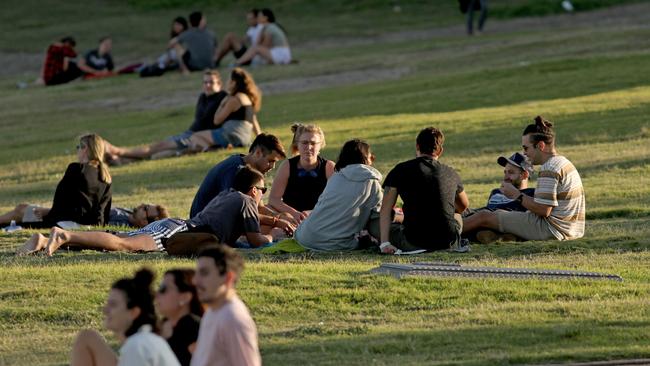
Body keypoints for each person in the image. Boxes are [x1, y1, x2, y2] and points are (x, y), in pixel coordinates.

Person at [17, 166, 281, 256]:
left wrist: (274, 219)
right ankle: (64, 236)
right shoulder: (246, 201)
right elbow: (256, 240)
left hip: (175, 225)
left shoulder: (228, 196)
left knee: (119, 241)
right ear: (252, 189)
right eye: (263, 188)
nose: (263, 193)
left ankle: (43, 242)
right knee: (125, 245)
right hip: (180, 231)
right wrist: (274, 239)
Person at [462, 116, 586, 242]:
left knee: (484, 217)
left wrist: (517, 195)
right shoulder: (564, 162)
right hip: (571, 230)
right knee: (499, 214)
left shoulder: (549, 168)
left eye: (526, 148)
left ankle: (444, 234)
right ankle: (503, 236)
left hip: (552, 229)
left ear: (541, 146)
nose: (525, 153)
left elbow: (544, 210)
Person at [103, 70, 228, 163]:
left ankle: (117, 151)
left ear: (219, 84)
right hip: (189, 133)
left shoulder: (223, 97)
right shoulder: (203, 97)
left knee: (157, 148)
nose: (207, 85)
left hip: (197, 138)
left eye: (211, 82)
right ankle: (118, 159)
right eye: (205, 82)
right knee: (157, 150)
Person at [378, 127, 470, 254]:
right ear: (440, 151)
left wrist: (385, 243)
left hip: (414, 241)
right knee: (457, 216)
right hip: (448, 241)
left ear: (417, 146)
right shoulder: (451, 172)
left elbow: (385, 209)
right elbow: (464, 206)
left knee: (378, 226)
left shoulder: (400, 170)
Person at [69, 268, 180, 366]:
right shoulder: (144, 340)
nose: (105, 310)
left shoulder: (138, 346)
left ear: (134, 312)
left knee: (87, 337)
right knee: (88, 337)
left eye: (113, 305)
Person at [294, 139, 382, 251]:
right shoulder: (371, 182)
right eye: (371, 157)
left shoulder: (336, 176)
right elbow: (379, 216)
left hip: (304, 236)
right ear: (366, 158)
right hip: (335, 244)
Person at [9, 134, 112, 229]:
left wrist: (48, 213)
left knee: (21, 211)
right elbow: (103, 211)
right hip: (91, 227)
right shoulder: (105, 176)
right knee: (23, 210)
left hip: (66, 223)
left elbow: (61, 201)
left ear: (85, 149)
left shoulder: (76, 169)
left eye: (78, 147)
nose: (77, 151)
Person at [190, 245, 261, 366]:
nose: (195, 281)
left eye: (204, 273)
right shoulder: (213, 311)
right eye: (197, 273)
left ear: (228, 278)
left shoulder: (232, 319)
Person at [189, 133, 285, 217]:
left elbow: (259, 208)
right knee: (273, 230)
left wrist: (279, 217)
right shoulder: (234, 170)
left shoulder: (253, 171)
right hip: (206, 224)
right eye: (270, 161)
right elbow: (235, 212)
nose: (273, 166)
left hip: (223, 219)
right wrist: (275, 221)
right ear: (258, 153)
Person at [182, 68, 262, 153]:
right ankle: (218, 147)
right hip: (245, 138)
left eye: (228, 80)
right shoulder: (246, 98)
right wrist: (260, 138)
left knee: (195, 137)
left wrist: (222, 104)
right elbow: (254, 121)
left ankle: (211, 150)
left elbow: (217, 120)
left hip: (231, 135)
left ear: (233, 83)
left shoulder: (234, 100)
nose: (227, 83)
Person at [268, 123, 335, 223]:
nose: (308, 147)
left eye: (313, 143)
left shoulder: (329, 167)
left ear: (320, 145)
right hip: (292, 219)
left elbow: (336, 200)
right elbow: (274, 199)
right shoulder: (287, 166)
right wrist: (295, 214)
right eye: (304, 143)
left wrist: (313, 213)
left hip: (321, 217)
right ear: (297, 144)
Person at [156, 269, 203, 366]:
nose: (157, 294)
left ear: (185, 297)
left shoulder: (192, 327)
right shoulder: (164, 323)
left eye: (163, 289)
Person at [0, 202, 168, 228]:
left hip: (68, 221)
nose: (142, 206)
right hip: (70, 213)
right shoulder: (127, 213)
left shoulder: (122, 224)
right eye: (146, 205)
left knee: (23, 212)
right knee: (22, 209)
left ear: (146, 221)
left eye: (146, 209)